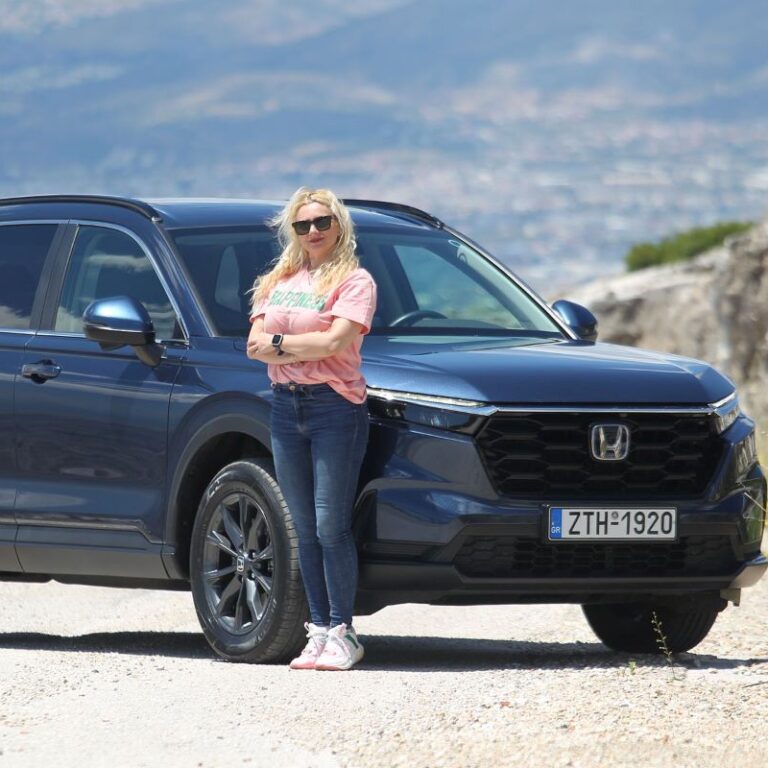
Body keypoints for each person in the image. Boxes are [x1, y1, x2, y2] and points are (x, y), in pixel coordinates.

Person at [247, 187, 377, 671]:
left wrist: (280, 343)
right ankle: (319, 630)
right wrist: (304, 342)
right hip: (285, 406)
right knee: (302, 527)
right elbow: (253, 346)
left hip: (334, 407)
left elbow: (334, 343)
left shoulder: (355, 281)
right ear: (293, 231)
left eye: (323, 222)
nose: (314, 231)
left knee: (330, 525)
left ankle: (344, 632)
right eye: (303, 225)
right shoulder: (277, 280)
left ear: (339, 225)